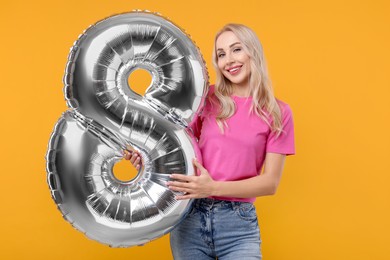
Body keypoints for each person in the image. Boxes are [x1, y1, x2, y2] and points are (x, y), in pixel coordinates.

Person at [124, 23, 295, 260]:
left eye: (236, 49)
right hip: (190, 218)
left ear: (252, 51)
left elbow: (270, 183)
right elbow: (179, 154)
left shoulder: (278, 112)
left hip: (238, 225)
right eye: (221, 54)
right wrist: (146, 164)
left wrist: (212, 187)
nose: (229, 61)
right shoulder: (206, 98)